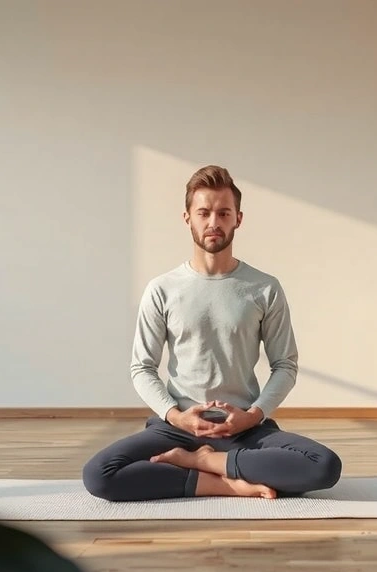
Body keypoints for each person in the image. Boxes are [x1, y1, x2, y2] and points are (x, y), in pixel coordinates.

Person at [82, 165, 342, 502]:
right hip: (178, 428)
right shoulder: (162, 289)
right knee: (99, 475)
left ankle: (201, 463)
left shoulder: (264, 288)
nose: (213, 222)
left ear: (238, 219)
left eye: (224, 213)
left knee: (324, 465)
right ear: (187, 218)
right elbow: (142, 367)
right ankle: (226, 481)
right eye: (203, 213)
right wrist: (176, 416)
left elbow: (285, 365)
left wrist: (252, 416)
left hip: (245, 429)